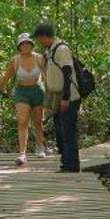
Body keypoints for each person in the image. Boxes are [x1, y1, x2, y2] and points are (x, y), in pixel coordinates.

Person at [0, 33, 48, 165]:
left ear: (32, 45)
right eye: (22, 44)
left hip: (37, 90)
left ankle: (40, 146)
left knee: (38, 122)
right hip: (22, 92)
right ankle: (22, 153)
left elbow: (47, 75)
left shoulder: (39, 58)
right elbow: (6, 77)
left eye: (28, 43)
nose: (25, 45)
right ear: (19, 46)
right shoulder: (15, 60)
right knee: (22, 121)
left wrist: (52, 93)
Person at [33, 22, 81, 172]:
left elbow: (67, 73)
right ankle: (66, 163)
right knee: (61, 131)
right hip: (56, 97)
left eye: (39, 39)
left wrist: (66, 98)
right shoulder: (50, 51)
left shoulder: (61, 49)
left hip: (68, 97)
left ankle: (72, 166)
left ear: (45, 37)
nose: (39, 42)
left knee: (67, 131)